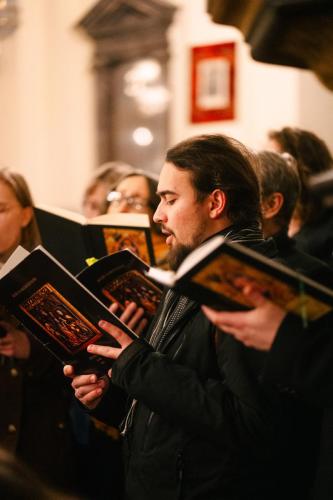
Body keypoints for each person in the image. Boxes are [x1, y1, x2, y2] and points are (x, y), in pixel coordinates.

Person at [65, 134, 320, 500]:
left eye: (170, 199)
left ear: (215, 202)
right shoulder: (191, 269)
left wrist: (135, 366)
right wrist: (112, 397)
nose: (158, 216)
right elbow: (177, 409)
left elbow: (254, 424)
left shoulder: (244, 283)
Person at [0, 167, 78, 493]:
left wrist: (30, 348)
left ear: (26, 215)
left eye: (1, 209)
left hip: (38, 444)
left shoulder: (50, 275)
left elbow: (79, 354)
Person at [267, 127, 333, 265]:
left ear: (303, 167)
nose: (266, 169)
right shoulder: (267, 223)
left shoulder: (327, 231)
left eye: (274, 160)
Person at [107, 169, 168, 266]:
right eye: (117, 199)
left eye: (135, 202)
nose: (122, 209)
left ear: (155, 211)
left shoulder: (170, 258)